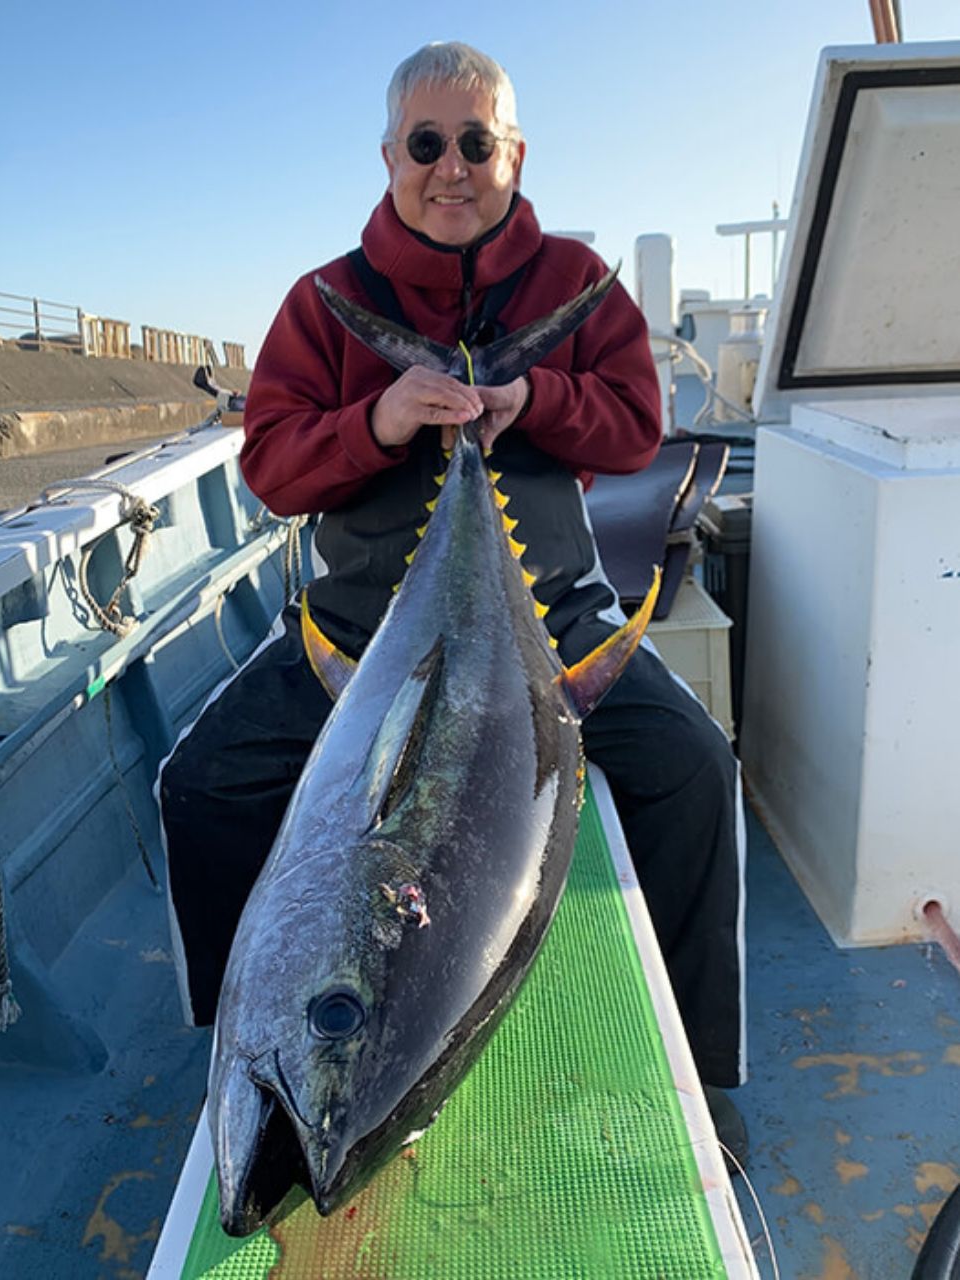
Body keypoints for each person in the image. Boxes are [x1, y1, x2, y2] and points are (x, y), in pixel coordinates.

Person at [158, 41, 747, 1157]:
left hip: (549, 614)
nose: (451, 167)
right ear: (389, 157)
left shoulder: (578, 284)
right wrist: (377, 422)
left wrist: (531, 395)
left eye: (475, 143)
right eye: (426, 144)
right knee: (203, 782)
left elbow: (630, 427)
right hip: (361, 631)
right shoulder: (325, 303)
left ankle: (700, 1077)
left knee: (691, 768)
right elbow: (273, 469)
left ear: (513, 153)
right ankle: (239, 1056)